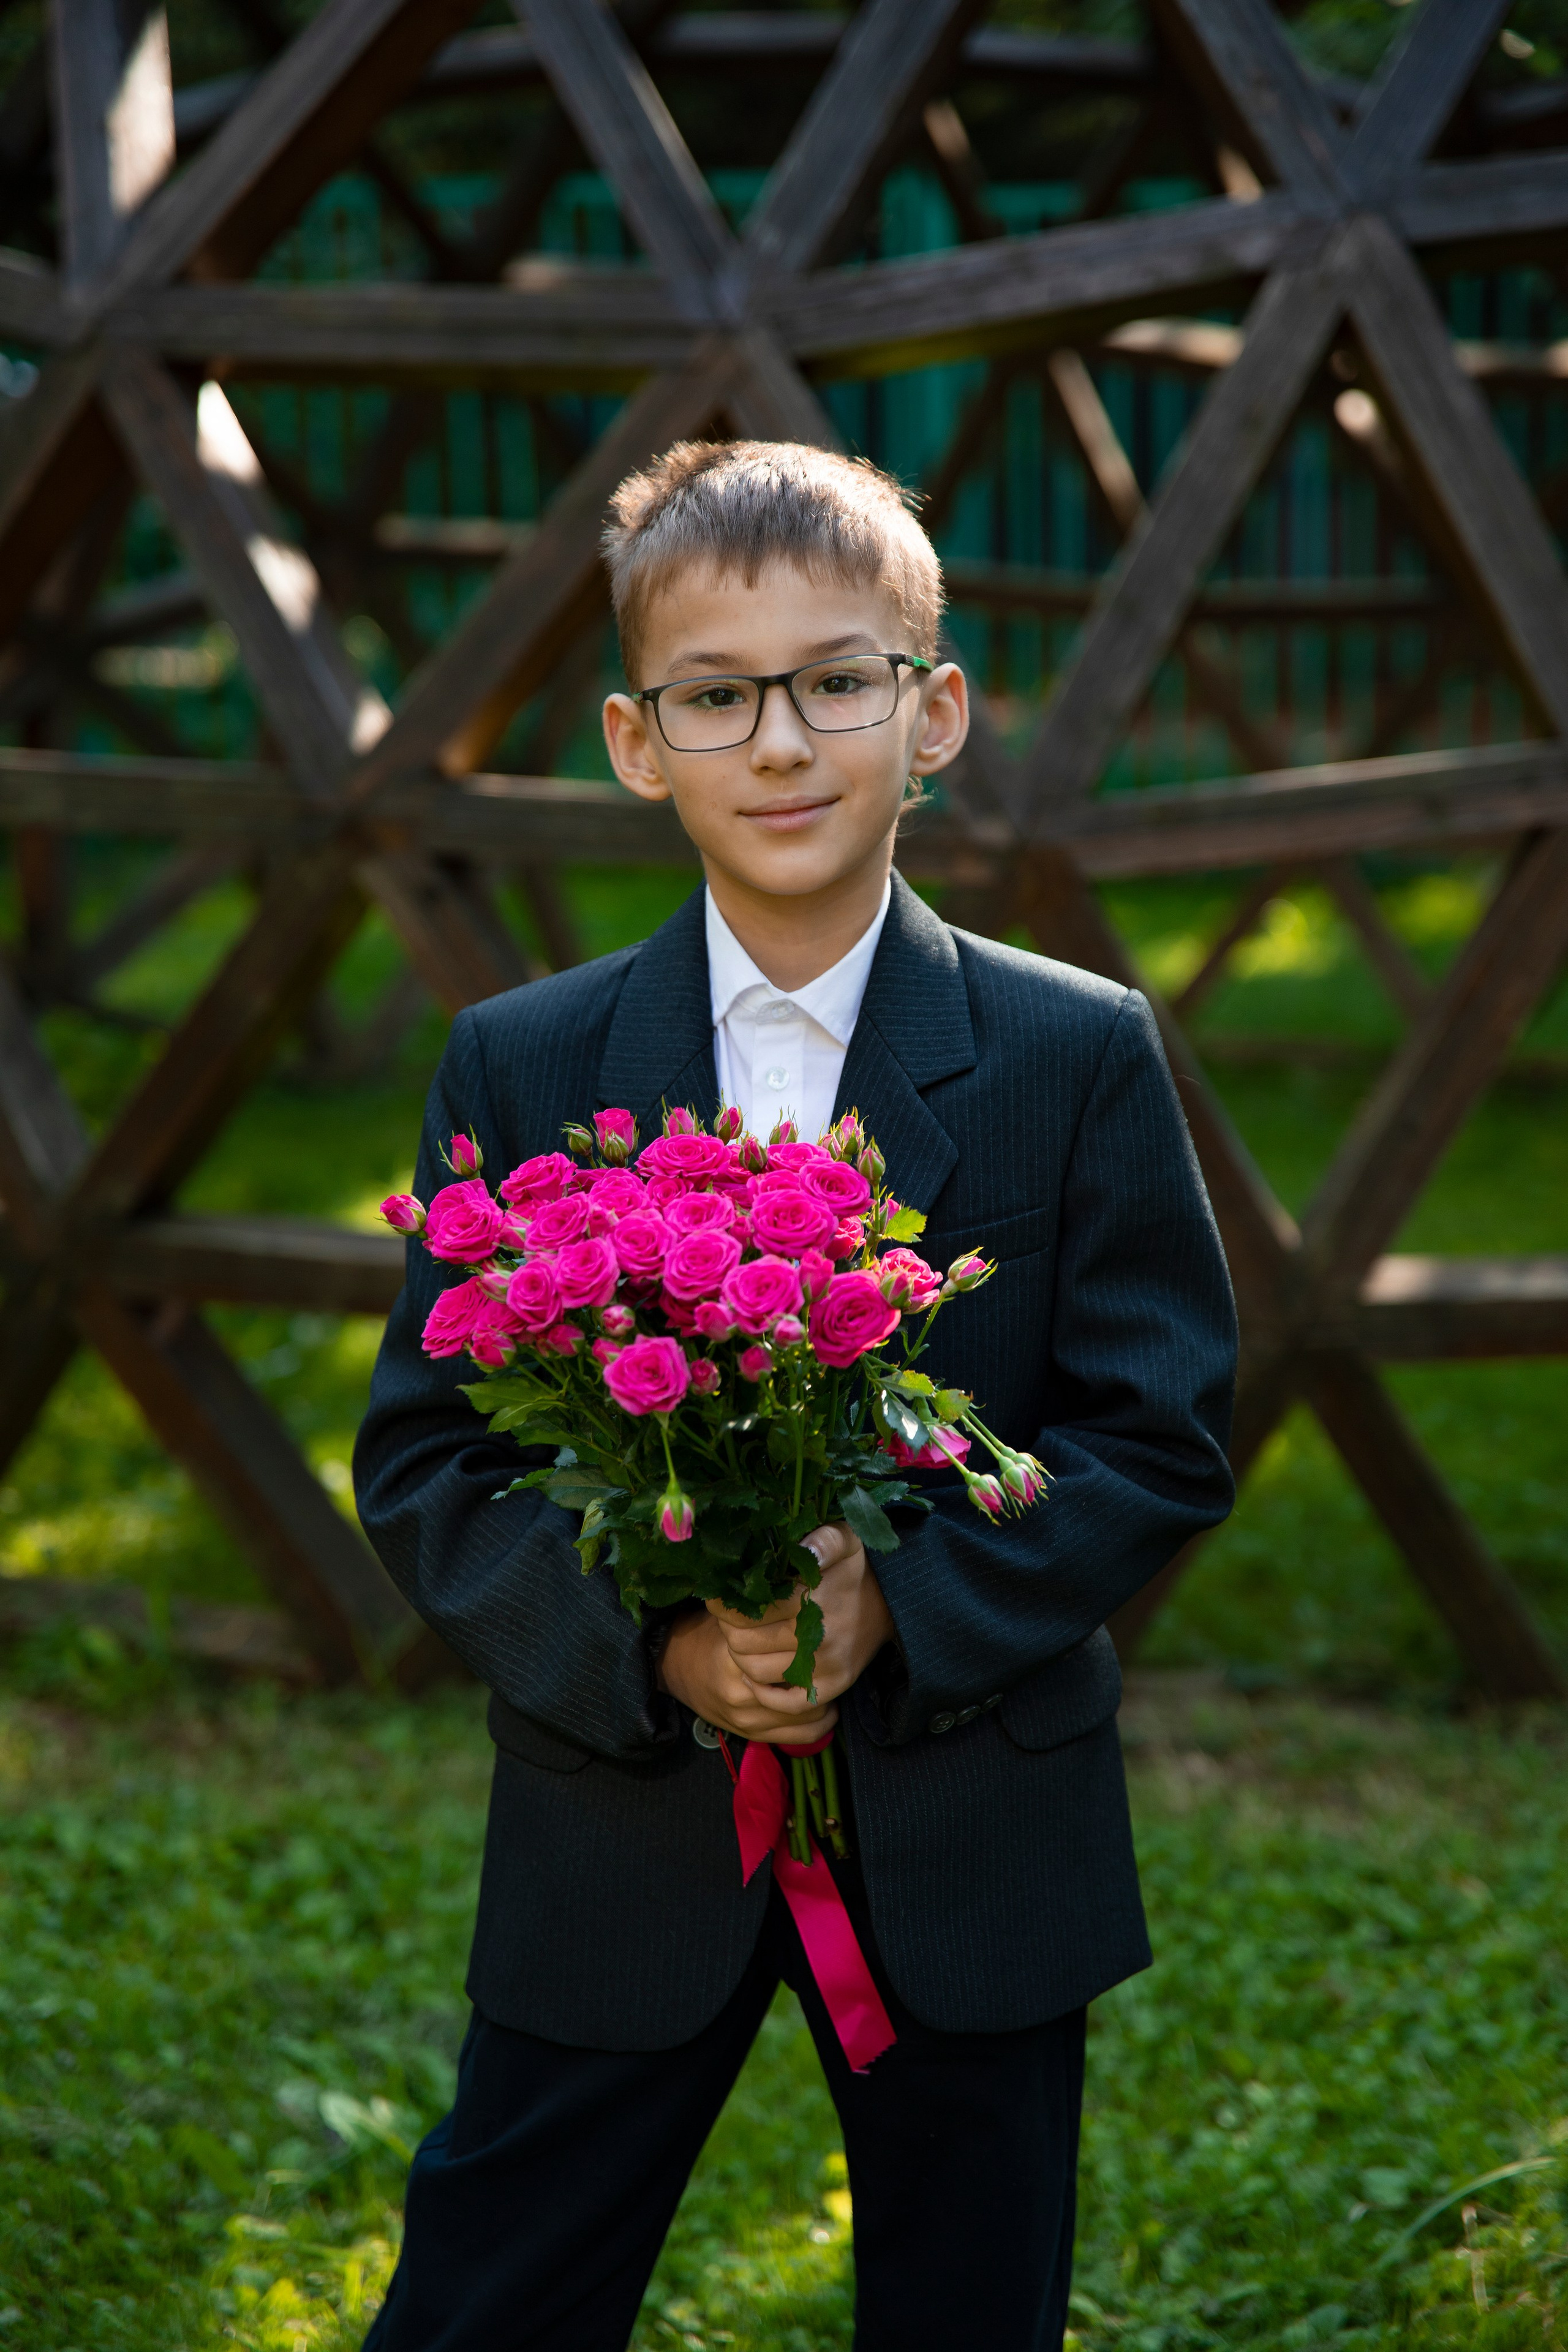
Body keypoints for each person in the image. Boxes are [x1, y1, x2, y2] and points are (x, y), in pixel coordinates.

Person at [353, 439, 1237, 2351]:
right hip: (623, 1826)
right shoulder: (524, 1064)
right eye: (716, 695)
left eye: (838, 682)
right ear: (631, 738)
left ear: (934, 716)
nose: (781, 743)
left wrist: (897, 1600)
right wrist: (655, 1646)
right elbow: (426, 1459)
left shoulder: (1075, 1050)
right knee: (490, 2294)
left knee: (966, 2306)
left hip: (973, 1831)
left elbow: (1155, 1430)